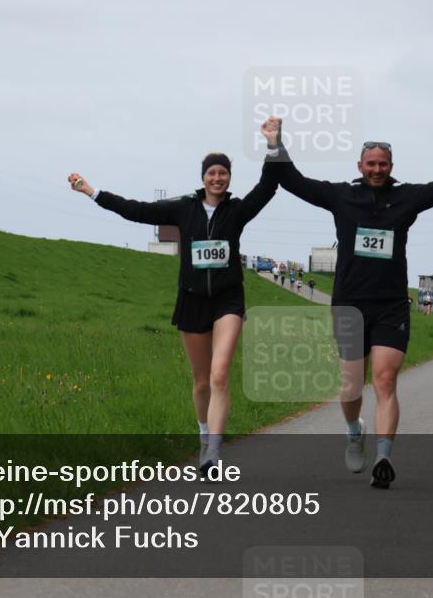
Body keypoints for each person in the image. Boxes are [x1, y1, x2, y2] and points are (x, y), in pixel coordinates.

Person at [267, 115, 433, 488]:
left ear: (391, 168)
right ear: (360, 167)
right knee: (350, 386)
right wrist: (274, 143)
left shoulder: (406, 198)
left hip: (391, 304)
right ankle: (353, 433)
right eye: (371, 164)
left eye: (382, 164)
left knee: (385, 379)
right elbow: (292, 180)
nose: (377, 169)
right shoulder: (341, 196)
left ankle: (383, 458)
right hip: (349, 303)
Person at [68, 123, 280, 479]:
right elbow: (136, 210)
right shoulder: (184, 209)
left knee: (219, 374)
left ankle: (213, 451)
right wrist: (91, 191)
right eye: (212, 173)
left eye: (223, 173)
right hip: (193, 300)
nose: (217, 178)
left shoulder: (238, 211)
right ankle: (203, 436)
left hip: (228, 300)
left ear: (229, 178)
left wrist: (273, 145)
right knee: (200, 381)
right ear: (203, 177)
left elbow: (269, 185)